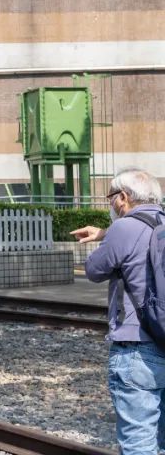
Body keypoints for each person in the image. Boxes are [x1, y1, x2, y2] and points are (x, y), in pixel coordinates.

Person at [72, 167, 165, 455]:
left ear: (123, 198)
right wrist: (106, 233)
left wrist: (107, 235)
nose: (110, 203)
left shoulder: (124, 228)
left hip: (138, 347)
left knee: (139, 444)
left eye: (110, 198)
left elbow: (94, 270)